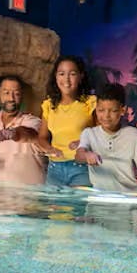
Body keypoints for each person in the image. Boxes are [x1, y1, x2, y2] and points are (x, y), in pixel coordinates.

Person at [74, 83, 137, 193]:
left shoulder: (133, 135)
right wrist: (87, 155)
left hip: (129, 197)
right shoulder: (89, 134)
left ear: (122, 110)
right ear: (95, 109)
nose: (106, 116)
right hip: (99, 197)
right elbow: (79, 155)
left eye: (113, 111)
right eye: (101, 110)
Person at [35, 55, 97, 187]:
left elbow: (102, 135)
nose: (66, 79)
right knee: (54, 207)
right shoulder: (49, 106)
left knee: (77, 207)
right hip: (54, 169)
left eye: (72, 74)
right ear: (56, 77)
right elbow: (42, 137)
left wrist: (82, 143)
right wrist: (49, 149)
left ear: (81, 76)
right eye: (61, 74)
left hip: (81, 168)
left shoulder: (90, 103)